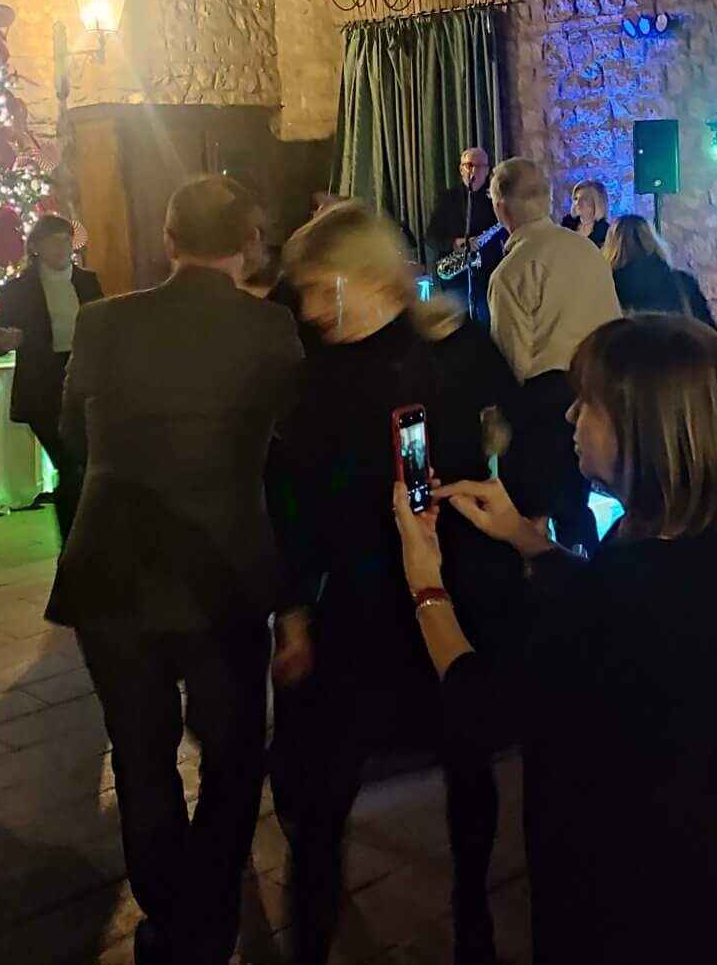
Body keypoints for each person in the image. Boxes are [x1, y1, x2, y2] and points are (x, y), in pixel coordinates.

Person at [394, 314, 717, 964]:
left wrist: (425, 584)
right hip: (691, 837)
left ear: (642, 430)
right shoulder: (705, 538)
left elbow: (481, 703)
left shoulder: (611, 600)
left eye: (588, 404)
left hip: (611, 877)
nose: (570, 418)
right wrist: (523, 535)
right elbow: (612, 607)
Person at [45, 177, 303, 965]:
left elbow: (71, 438)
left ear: (168, 239)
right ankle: (210, 911)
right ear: (249, 244)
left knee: (140, 752)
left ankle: (169, 913)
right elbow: (293, 457)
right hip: (223, 568)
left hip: (112, 562)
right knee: (233, 752)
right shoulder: (270, 328)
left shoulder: (102, 321)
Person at [266, 204, 527, 965]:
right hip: (358, 597)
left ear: (368, 276)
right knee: (321, 789)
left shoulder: (453, 346)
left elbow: (515, 426)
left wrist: (497, 494)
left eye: (321, 287)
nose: (310, 308)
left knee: (467, 759)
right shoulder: (311, 375)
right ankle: (310, 940)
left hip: (456, 582)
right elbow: (287, 498)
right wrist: (292, 611)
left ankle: (474, 919)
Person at [486, 158, 621, 556]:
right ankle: (593, 579)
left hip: (541, 406)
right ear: (546, 200)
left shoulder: (512, 271)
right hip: (597, 391)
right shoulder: (588, 251)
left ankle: (546, 584)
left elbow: (510, 362)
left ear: (500, 205)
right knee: (575, 508)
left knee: (530, 517)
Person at [0, 215, 102, 542]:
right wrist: (5, 342)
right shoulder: (19, 289)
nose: (62, 247)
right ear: (36, 247)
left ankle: (87, 539)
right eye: (54, 240)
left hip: (84, 381)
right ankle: (74, 542)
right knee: (70, 462)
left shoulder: (88, 281)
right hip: (42, 386)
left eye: (66, 239)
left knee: (85, 464)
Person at [426, 146, 503, 326]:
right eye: (469, 165)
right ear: (461, 169)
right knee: (459, 328)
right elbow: (431, 236)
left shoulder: (496, 199)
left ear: (487, 171)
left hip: (487, 277)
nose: (473, 171)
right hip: (457, 278)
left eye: (479, 166)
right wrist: (454, 243)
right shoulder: (447, 198)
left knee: (486, 327)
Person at [604, 214, 714, 326]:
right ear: (653, 240)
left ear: (611, 246)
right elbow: (708, 330)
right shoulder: (682, 282)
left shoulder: (606, 287)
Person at [560, 178, 611, 249]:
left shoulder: (606, 232)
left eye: (584, 199)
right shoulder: (567, 225)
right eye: (576, 199)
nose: (577, 203)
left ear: (596, 203)